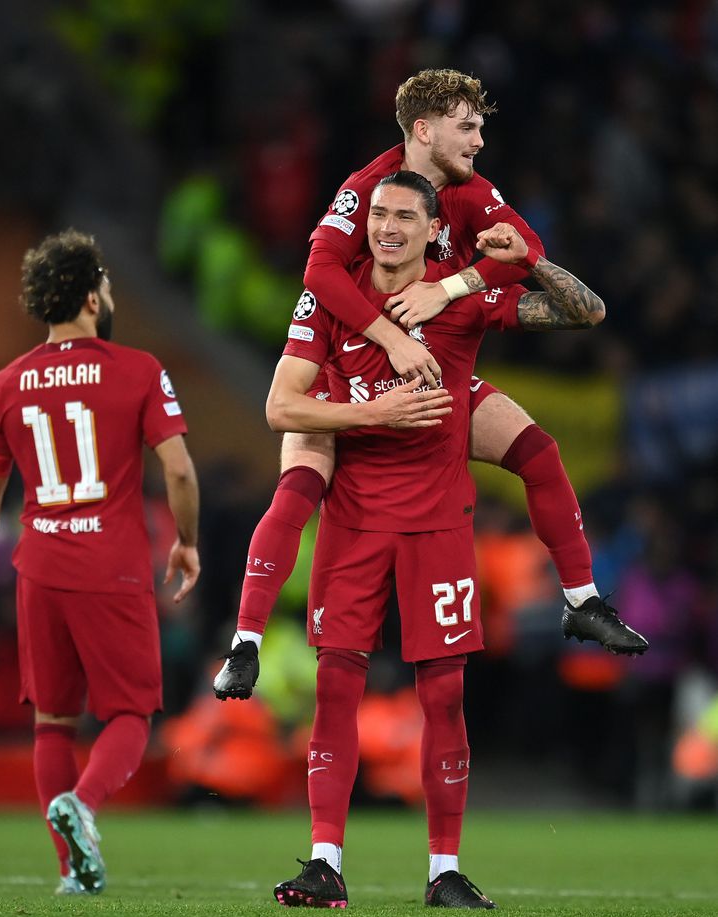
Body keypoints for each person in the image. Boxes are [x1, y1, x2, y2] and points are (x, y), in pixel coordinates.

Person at [214, 68, 646, 701]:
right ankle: (245, 643)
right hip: (347, 370)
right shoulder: (366, 189)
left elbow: (527, 249)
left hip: (432, 375)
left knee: (538, 453)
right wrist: (389, 339)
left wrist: (451, 288)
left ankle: (582, 601)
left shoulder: (470, 192)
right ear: (423, 130)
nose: (478, 141)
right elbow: (319, 272)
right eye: (466, 127)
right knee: (297, 490)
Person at [266, 171, 628, 909]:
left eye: (405, 216)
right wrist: (375, 414)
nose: (386, 226)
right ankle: (325, 863)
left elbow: (584, 311)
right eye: (378, 214)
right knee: (335, 689)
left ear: (434, 231)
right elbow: (283, 404)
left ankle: (444, 871)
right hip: (356, 523)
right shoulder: (333, 294)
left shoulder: (456, 298)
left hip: (438, 524)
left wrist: (526, 260)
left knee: (444, 696)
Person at [0, 230, 200, 895]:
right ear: (92, 298)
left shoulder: (4, 385)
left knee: (52, 723)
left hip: (38, 568)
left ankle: (72, 872)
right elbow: (179, 470)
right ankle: (83, 806)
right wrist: (186, 540)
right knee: (131, 715)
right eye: (108, 288)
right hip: (112, 564)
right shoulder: (139, 370)